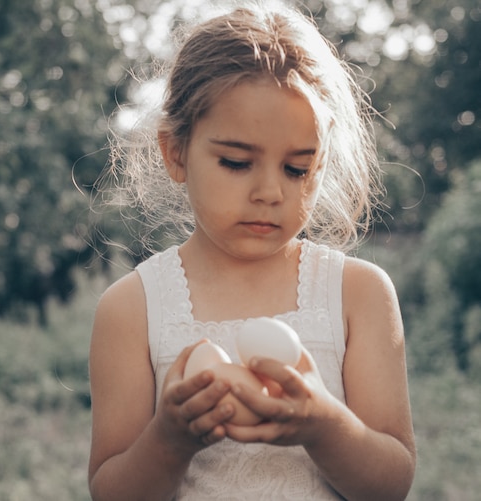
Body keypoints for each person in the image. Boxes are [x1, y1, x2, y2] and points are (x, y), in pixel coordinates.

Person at [88, 3, 416, 500]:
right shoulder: (132, 308)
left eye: (297, 169)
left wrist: (322, 424)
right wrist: (169, 440)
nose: (270, 192)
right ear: (175, 152)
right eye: (237, 162)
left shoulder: (357, 295)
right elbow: (110, 492)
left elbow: (392, 484)